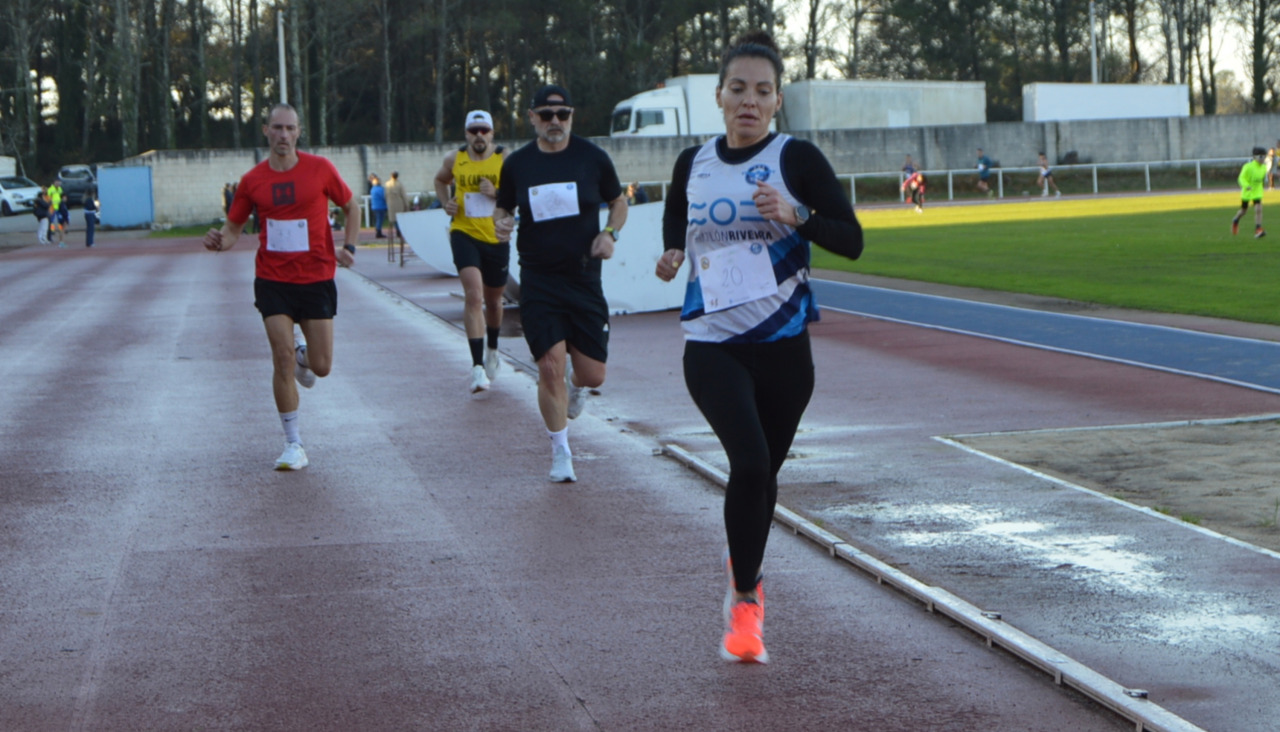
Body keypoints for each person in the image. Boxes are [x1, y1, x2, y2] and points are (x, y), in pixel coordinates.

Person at [654, 31, 863, 664]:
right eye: (738, 89)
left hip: (784, 349)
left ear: (776, 103)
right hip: (712, 344)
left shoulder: (797, 159)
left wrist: (797, 215)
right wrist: (669, 255)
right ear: (719, 96)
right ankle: (746, 601)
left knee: (762, 480)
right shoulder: (693, 163)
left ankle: (742, 560)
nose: (749, 100)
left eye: (763, 91)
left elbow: (851, 240)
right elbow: (675, 224)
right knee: (746, 464)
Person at [202, 103, 362, 470]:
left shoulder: (320, 169)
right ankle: (294, 444)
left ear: (299, 131)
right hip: (273, 280)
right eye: (277, 128)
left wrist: (349, 247)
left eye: (290, 128)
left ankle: (306, 354)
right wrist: (218, 242)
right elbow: (233, 229)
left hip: (316, 278)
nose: (284, 135)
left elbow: (351, 206)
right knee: (281, 357)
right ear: (265, 131)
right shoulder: (252, 181)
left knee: (321, 367)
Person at [493, 85, 627, 483]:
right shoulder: (517, 164)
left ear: (572, 116)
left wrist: (609, 234)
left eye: (562, 114)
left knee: (592, 375)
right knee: (548, 365)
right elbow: (504, 205)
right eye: (546, 115)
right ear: (532, 117)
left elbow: (618, 202)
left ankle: (577, 385)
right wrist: (502, 221)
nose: (555, 122)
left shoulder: (592, 158)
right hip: (539, 278)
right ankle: (561, 452)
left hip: (583, 277)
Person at [434, 109, 509, 396]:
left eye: (484, 130)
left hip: (496, 236)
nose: (479, 136)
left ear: (492, 133)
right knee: (474, 295)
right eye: (473, 131)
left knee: (494, 301)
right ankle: (477, 367)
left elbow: (518, 193)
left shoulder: (504, 159)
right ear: (466, 134)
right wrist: (446, 203)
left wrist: (497, 194)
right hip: (463, 233)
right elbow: (440, 182)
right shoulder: (455, 159)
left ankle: (492, 347)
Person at [1233, 146, 1272, 239]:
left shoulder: (1263, 167)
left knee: (1259, 209)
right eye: (1260, 157)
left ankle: (1258, 229)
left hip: (1257, 192)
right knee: (1243, 211)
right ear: (1254, 157)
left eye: (1264, 157)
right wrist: (1246, 186)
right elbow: (1241, 178)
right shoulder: (1248, 167)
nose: (1262, 159)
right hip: (1247, 192)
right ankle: (1235, 220)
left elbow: (1261, 179)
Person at [385, 170, 411, 264]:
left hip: (391, 207)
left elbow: (385, 196)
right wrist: (407, 206)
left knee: (393, 223)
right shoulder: (400, 184)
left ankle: (392, 256)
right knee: (401, 225)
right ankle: (401, 252)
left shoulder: (387, 184)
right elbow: (404, 196)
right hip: (400, 206)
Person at [48, 178, 66, 246]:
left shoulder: (60, 189)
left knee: (60, 220)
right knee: (51, 220)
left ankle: (60, 230)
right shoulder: (50, 189)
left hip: (59, 207)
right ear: (54, 182)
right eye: (57, 182)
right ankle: (52, 231)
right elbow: (49, 198)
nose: (58, 184)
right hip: (53, 207)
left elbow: (61, 196)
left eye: (59, 182)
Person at [369, 173, 388, 238]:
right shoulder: (381, 189)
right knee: (380, 219)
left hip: (374, 206)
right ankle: (378, 232)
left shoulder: (373, 189)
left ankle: (378, 229)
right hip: (381, 206)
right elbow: (384, 197)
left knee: (377, 219)